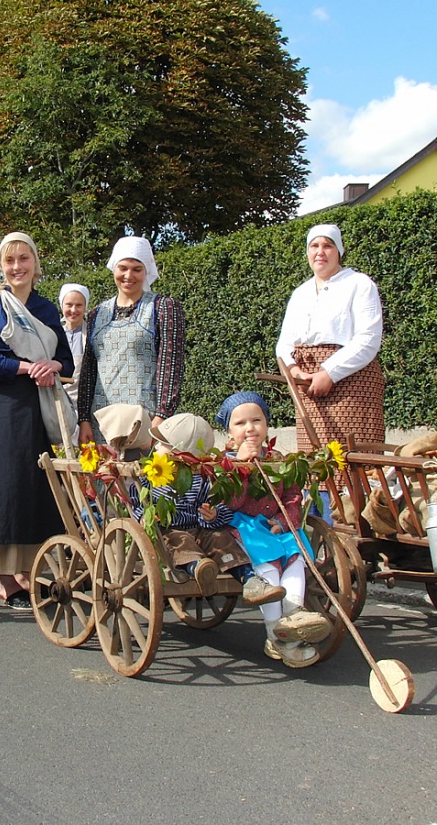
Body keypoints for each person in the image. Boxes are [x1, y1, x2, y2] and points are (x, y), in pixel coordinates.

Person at [0, 232, 74, 610]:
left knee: (34, 491)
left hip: (37, 410)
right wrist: (26, 366)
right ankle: (7, 582)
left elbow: (68, 361)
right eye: (10, 261)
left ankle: (30, 570)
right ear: (1, 266)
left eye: (24, 259)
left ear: (35, 264)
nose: (17, 267)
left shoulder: (44, 309)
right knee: (1, 492)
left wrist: (53, 365)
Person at [215, 391, 332, 668]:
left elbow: (292, 495)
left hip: (278, 524)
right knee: (268, 567)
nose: (250, 428)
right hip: (244, 525)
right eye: (240, 423)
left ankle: (294, 614)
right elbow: (229, 502)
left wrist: (283, 520)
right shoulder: (223, 463)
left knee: (295, 556)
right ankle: (276, 633)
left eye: (256, 421)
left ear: (267, 426)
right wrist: (242, 466)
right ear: (229, 433)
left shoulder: (278, 457)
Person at [128, 412, 286, 608]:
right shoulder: (149, 476)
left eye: (162, 444)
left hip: (201, 529)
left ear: (179, 452)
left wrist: (213, 515)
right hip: (169, 530)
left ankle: (250, 580)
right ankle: (200, 568)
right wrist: (144, 518)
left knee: (221, 538)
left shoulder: (203, 476)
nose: (156, 448)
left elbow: (220, 506)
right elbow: (136, 502)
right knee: (179, 541)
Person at [275, 223, 384, 455]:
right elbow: (284, 344)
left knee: (353, 456)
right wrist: (295, 373)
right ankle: (319, 495)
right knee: (315, 460)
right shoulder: (300, 294)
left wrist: (329, 373)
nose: (320, 251)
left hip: (353, 385)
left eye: (328, 245)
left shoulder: (359, 284)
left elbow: (368, 338)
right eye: (314, 245)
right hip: (307, 388)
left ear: (339, 251)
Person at [77, 236, 185, 445]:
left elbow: (170, 365)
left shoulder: (163, 308)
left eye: (137, 269)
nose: (129, 275)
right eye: (123, 268)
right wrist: (83, 418)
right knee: (104, 476)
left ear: (146, 271)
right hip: (102, 418)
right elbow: (89, 369)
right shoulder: (96, 314)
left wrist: (161, 417)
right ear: (114, 268)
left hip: (144, 418)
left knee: (142, 476)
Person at [59, 283, 89, 408]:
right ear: (61, 305)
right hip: (59, 400)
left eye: (79, 305)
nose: (73, 310)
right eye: (69, 305)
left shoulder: (91, 335)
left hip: (85, 402)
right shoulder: (55, 334)